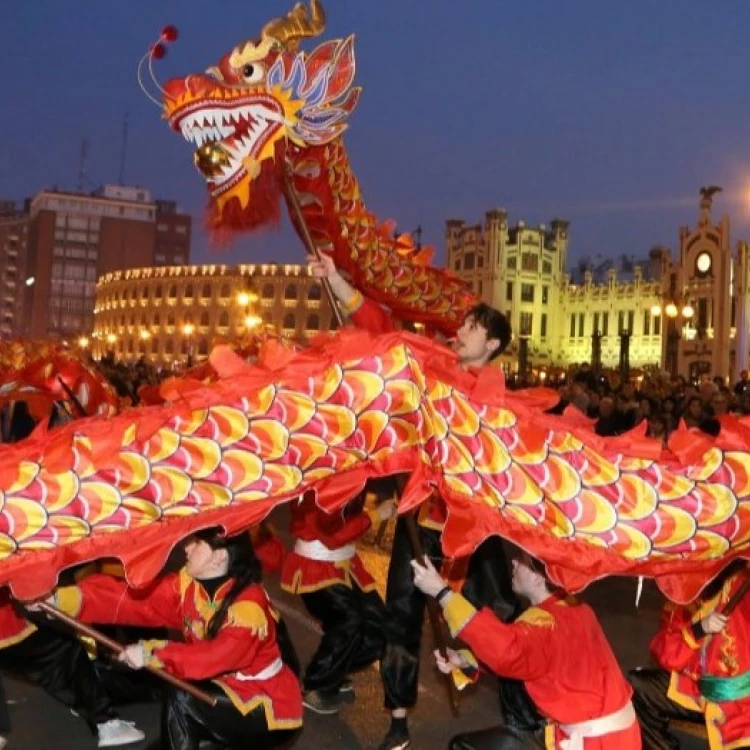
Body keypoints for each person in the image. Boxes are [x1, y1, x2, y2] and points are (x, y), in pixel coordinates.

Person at [309, 253, 542, 750]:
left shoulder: (495, 396)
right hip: (422, 519)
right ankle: (397, 716)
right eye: (462, 322)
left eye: (473, 327)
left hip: (473, 529)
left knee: (502, 612)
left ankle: (522, 718)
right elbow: (382, 331)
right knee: (401, 616)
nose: (460, 331)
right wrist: (334, 278)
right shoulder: (434, 365)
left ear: (493, 343)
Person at [47, 529, 303, 749]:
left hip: (263, 705)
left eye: (197, 543)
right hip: (222, 692)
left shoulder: (248, 607)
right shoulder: (190, 587)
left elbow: (213, 657)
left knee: (181, 696)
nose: (187, 547)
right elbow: (132, 601)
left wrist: (153, 653)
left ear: (220, 556)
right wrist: (63, 599)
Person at [412, 552, 641, 749]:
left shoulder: (545, 623)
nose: (513, 561)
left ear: (539, 578)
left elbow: (507, 651)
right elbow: (525, 656)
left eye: (522, 559)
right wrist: (464, 660)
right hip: (616, 736)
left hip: (592, 743)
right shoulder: (575, 609)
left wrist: (442, 593)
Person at [281, 490, 394, 714]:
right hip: (316, 566)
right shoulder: (323, 480)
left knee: (381, 628)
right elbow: (332, 536)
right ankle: (317, 685)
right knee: (349, 620)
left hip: (346, 563)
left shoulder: (350, 472)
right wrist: (375, 515)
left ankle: (334, 672)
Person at [0, 589, 145, 747]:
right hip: (8, 630)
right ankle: (107, 722)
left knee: (56, 660)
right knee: (68, 650)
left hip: (9, 628)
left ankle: (82, 702)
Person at [629, 560, 750, 750]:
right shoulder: (684, 592)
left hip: (741, 703)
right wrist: (699, 629)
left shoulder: (741, 583)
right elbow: (667, 654)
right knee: (638, 687)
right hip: (695, 688)